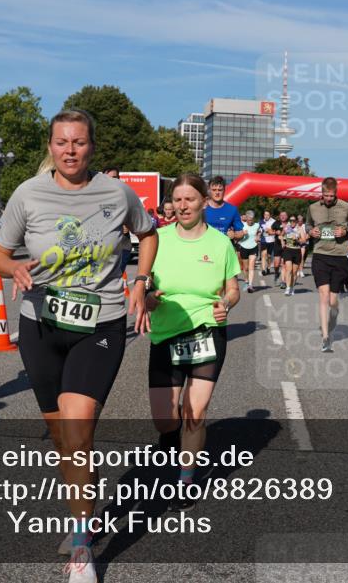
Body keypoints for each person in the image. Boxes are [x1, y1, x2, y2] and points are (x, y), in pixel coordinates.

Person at [0, 109, 157, 583]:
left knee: (79, 432)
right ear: (50, 145)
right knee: (65, 442)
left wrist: (140, 282)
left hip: (100, 322)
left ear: (91, 147)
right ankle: (88, 503)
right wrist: (12, 268)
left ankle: (82, 546)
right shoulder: (28, 192)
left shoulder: (117, 193)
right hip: (40, 326)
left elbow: (148, 234)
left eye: (79, 142)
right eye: (61, 142)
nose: (69, 150)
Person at [145, 174, 240, 512]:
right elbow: (143, 282)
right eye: (178, 200)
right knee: (164, 418)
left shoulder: (220, 244)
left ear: (203, 201)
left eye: (190, 199)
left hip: (206, 331)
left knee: (195, 412)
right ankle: (170, 439)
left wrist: (225, 304)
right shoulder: (156, 239)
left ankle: (185, 479)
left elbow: (233, 289)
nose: (183, 206)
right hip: (166, 331)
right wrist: (148, 297)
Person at [307, 177, 348, 352]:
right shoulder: (313, 208)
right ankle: (326, 337)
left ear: (336, 193)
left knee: (333, 300)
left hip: (339, 256)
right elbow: (308, 225)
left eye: (331, 195)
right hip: (320, 255)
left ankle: (333, 316)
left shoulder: (346, 207)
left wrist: (345, 231)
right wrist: (310, 231)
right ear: (321, 192)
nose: (328, 198)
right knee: (323, 295)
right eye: (325, 195)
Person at [278, 212, 306, 296]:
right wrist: (282, 242)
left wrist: (297, 240)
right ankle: (287, 288)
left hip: (297, 251)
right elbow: (281, 235)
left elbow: (304, 240)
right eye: (291, 220)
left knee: (294, 272)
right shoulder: (286, 228)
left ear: (297, 221)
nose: (292, 222)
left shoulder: (300, 229)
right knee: (288, 269)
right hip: (288, 250)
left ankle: (292, 287)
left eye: (294, 221)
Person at [238, 210, 261, 293]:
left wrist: (258, 236)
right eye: (249, 220)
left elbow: (259, 231)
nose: (251, 221)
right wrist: (242, 234)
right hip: (244, 247)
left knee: (251, 266)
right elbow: (237, 235)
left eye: (252, 219)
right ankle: (246, 281)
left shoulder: (257, 225)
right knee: (246, 268)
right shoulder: (242, 225)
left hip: (253, 247)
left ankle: (250, 285)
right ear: (246, 218)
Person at [259, 210, 276, 276]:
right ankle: (263, 270)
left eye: (267, 215)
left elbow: (275, 230)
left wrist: (270, 231)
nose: (266, 216)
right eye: (265, 215)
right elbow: (259, 230)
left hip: (271, 240)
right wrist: (259, 233)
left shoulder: (273, 221)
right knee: (263, 254)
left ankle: (268, 267)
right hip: (263, 240)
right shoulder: (261, 221)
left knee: (269, 256)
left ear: (270, 215)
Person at [295, 214, 309, 278]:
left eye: (301, 220)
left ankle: (301, 271)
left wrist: (303, 240)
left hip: (304, 243)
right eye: (298, 220)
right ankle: (297, 270)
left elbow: (309, 235)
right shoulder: (295, 226)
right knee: (297, 257)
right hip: (296, 244)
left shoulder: (305, 226)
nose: (300, 222)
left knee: (302, 257)